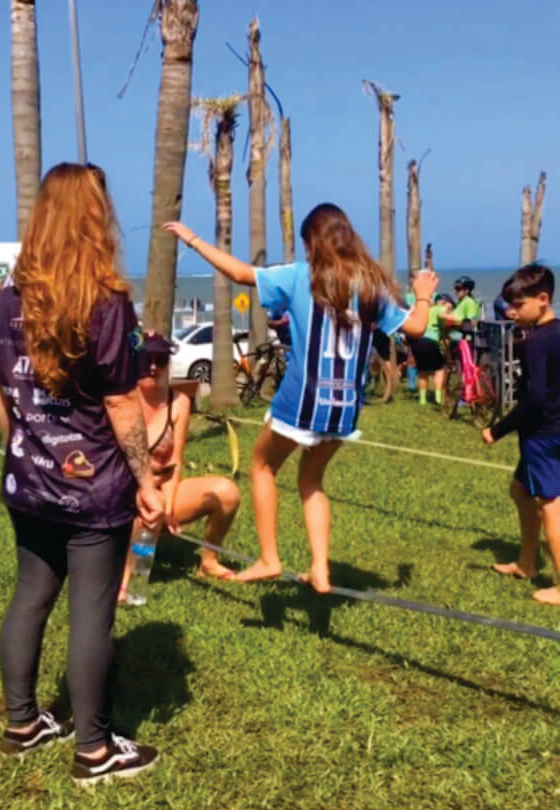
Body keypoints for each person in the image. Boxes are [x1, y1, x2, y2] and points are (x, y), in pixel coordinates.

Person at [0, 162, 165, 785]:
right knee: (91, 611)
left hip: (27, 480)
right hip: (93, 490)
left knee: (31, 594)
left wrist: (24, 450)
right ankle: (94, 749)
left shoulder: (4, 300)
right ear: (95, 217)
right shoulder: (106, 300)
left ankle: (23, 721)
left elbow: (6, 396)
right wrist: (146, 481)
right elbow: (119, 402)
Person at [165, 204, 438, 592]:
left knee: (262, 467)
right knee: (312, 479)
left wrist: (193, 241)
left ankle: (268, 558)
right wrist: (424, 295)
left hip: (302, 399)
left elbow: (241, 273)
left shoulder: (301, 276)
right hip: (345, 407)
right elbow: (417, 326)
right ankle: (321, 570)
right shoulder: (371, 285)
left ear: (314, 241)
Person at [118, 331, 240, 601]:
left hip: (162, 487)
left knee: (227, 492)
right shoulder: (119, 401)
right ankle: (128, 580)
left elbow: (175, 462)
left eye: (160, 360)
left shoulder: (179, 402)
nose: (152, 367)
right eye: (145, 359)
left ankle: (208, 562)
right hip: (121, 492)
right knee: (151, 509)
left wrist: (170, 509)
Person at [482, 263, 560, 605]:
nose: (511, 312)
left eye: (519, 305)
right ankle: (526, 563)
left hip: (542, 435)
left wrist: (498, 429)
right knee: (519, 491)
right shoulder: (557, 332)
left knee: (551, 507)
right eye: (508, 305)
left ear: (543, 299)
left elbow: (536, 397)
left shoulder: (536, 343)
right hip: (554, 430)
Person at [408, 292, 451, 406]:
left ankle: (422, 400)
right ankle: (437, 398)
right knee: (439, 369)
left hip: (416, 341)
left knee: (423, 371)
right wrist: (454, 316)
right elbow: (443, 316)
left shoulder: (419, 311)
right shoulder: (437, 309)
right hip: (430, 341)